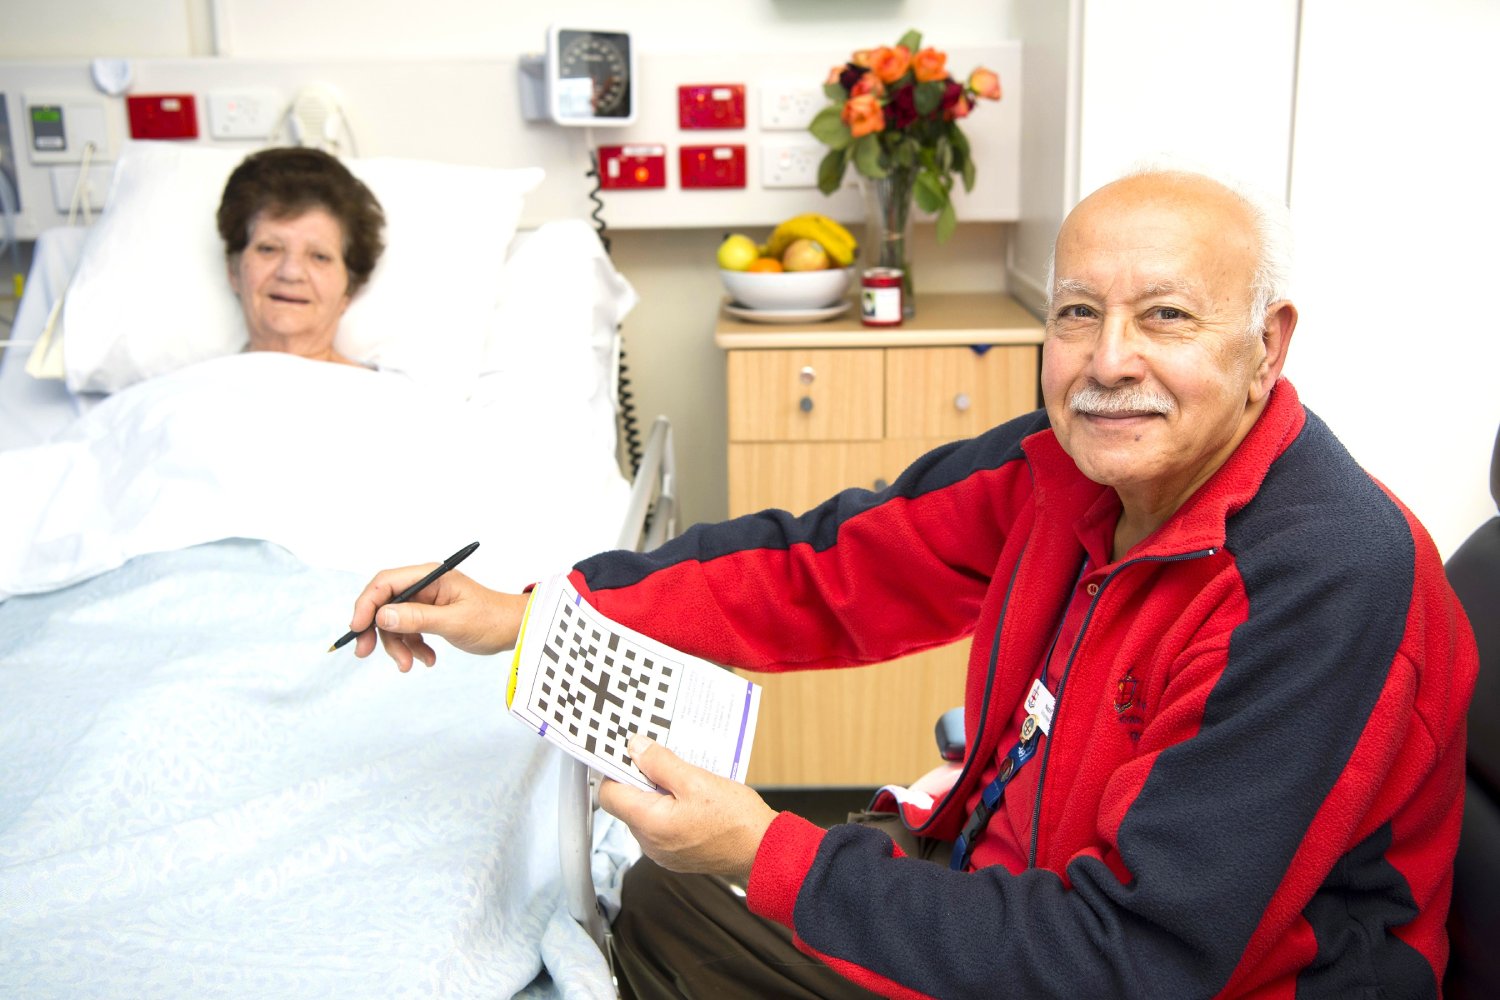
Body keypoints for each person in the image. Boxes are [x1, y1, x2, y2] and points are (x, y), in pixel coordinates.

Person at [344, 167, 1478, 999]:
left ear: (1267, 345)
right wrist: (540, 609)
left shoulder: (1321, 575)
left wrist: (766, 850)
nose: (1110, 359)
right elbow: (825, 567)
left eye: (1167, 316)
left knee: (679, 913)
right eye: (1078, 312)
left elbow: (1141, 956)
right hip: (1026, 893)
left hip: (1170, 975)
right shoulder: (1064, 463)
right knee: (663, 901)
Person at [215, 146, 385, 366]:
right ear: (233, 271)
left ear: (349, 289)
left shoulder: (392, 397)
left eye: (319, 257)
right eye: (269, 249)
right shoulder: (180, 394)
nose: (290, 272)